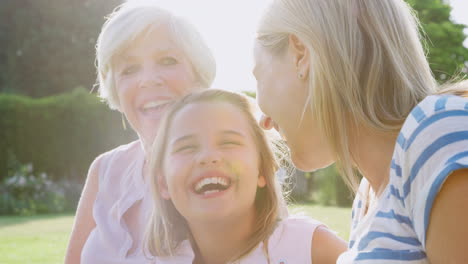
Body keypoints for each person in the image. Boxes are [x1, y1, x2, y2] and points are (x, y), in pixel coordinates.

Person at [253, 0, 468, 263]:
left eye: (258, 76)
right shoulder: (367, 199)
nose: (263, 120)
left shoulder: (438, 133)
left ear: (300, 55)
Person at [64, 1, 216, 263]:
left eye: (167, 61)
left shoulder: (223, 167)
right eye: (129, 69)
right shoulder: (104, 170)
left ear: (198, 73)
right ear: (115, 88)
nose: (148, 80)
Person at [144, 89, 347, 264]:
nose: (208, 157)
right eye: (187, 147)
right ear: (163, 183)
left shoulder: (309, 249)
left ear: (262, 170)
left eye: (228, 142)